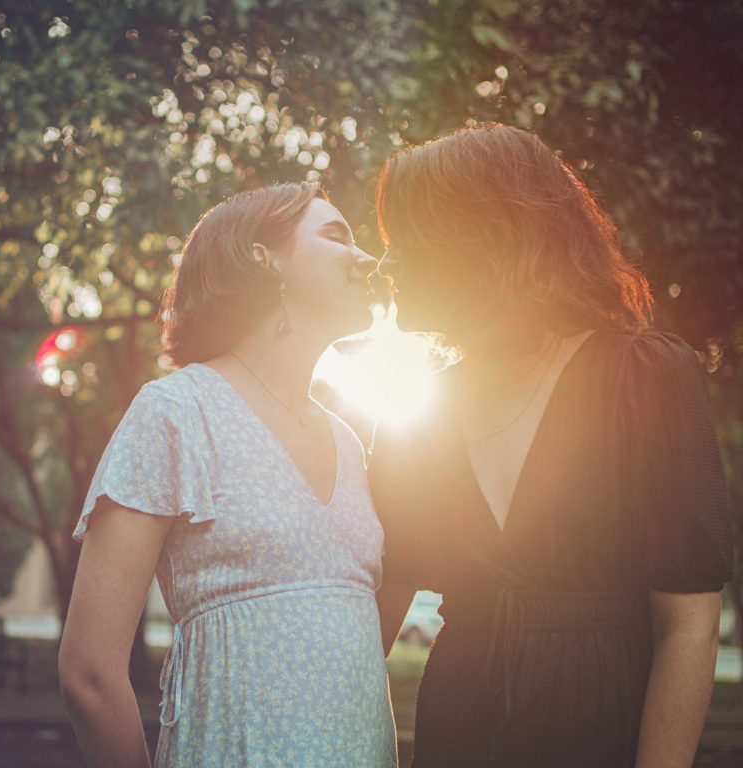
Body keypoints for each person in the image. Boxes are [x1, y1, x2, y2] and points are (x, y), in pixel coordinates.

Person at [371, 122, 734, 768]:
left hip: (600, 730)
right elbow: (370, 620)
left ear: (482, 237)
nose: (385, 263)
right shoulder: (420, 415)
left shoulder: (644, 378)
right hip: (457, 733)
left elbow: (688, 629)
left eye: (407, 239)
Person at [58, 181, 398, 768]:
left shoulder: (347, 439)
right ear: (263, 257)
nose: (367, 258)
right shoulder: (176, 413)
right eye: (337, 235)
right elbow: (89, 672)